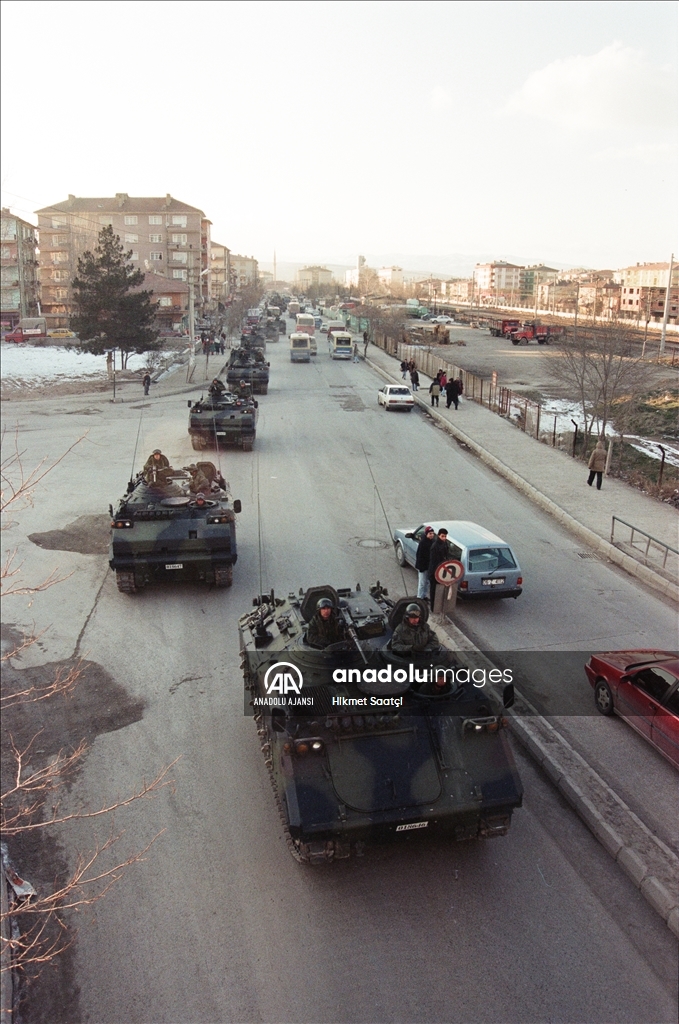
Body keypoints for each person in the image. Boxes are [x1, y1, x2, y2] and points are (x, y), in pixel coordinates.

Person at [429, 527, 451, 604]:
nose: (444, 538)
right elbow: (434, 561)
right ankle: (433, 606)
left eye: (445, 536)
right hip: (435, 572)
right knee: (434, 591)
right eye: (442, 536)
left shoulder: (445, 544)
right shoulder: (435, 546)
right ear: (438, 535)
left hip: (442, 571)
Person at [415, 527, 435, 600]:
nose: (431, 535)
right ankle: (419, 597)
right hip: (423, 567)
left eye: (432, 533)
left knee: (427, 583)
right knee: (422, 583)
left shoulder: (433, 542)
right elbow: (419, 555)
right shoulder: (423, 543)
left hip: (429, 567)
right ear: (426, 534)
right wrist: (421, 567)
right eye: (430, 533)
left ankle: (424, 596)